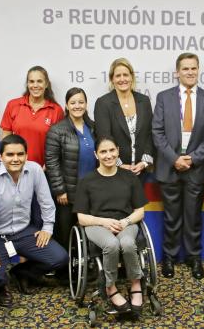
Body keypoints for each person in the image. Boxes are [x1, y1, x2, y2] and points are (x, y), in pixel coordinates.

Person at [0, 134, 69, 307]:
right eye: (10, 155)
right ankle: (2, 286)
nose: (15, 159)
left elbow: (47, 203)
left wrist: (47, 228)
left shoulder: (34, 170)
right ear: (0, 156)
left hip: (24, 232)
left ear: (26, 156)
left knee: (60, 258)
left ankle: (22, 272)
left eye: (20, 154)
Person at [152, 52, 204, 280]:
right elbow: (157, 132)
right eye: (185, 69)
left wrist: (192, 158)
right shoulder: (163, 97)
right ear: (177, 72)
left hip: (196, 168)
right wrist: (175, 159)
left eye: (193, 68)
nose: (190, 72)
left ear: (198, 70)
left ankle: (194, 258)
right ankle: (169, 259)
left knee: (193, 217)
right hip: (170, 167)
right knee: (171, 218)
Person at [74, 136, 148, 317]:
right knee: (111, 245)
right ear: (96, 154)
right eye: (103, 151)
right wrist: (104, 222)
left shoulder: (129, 177)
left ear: (118, 151)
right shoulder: (87, 181)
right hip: (97, 224)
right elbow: (82, 218)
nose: (108, 155)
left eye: (111, 150)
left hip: (125, 222)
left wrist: (125, 222)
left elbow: (140, 211)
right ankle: (110, 287)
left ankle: (136, 283)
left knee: (129, 244)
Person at [45, 87, 96, 251]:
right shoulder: (57, 130)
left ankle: (89, 267)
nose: (77, 106)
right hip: (67, 194)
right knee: (65, 234)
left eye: (81, 102)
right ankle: (64, 271)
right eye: (73, 102)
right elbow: (51, 162)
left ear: (86, 105)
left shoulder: (94, 128)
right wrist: (60, 190)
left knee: (91, 233)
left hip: (91, 192)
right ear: (66, 105)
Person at [94, 58, 154, 174]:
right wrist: (119, 165)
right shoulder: (103, 103)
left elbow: (150, 134)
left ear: (132, 77)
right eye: (118, 76)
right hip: (114, 170)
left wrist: (144, 162)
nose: (122, 79)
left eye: (125, 75)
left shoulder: (144, 101)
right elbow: (104, 138)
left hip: (141, 169)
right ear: (112, 79)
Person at [0, 66, 64, 168]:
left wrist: (49, 165)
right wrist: (7, 161)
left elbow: (59, 144)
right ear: (27, 84)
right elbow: (6, 137)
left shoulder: (56, 110)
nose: (35, 85)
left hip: (43, 170)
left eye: (39, 81)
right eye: (31, 81)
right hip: (15, 166)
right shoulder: (13, 105)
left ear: (46, 84)